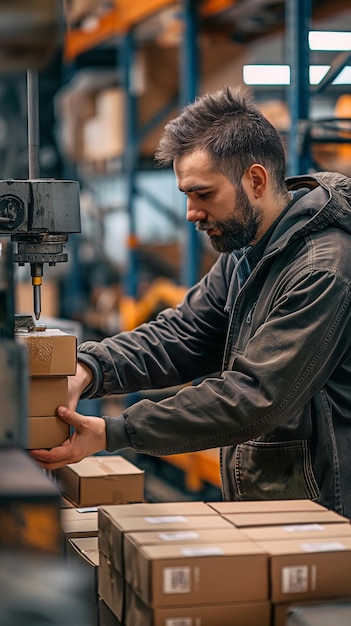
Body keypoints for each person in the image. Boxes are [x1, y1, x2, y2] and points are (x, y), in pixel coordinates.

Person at [31, 85, 351, 518]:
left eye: (203, 194)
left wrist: (115, 431)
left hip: (330, 510)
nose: (190, 213)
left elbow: (255, 397)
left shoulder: (323, 268)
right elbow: (184, 334)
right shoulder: (248, 250)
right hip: (283, 498)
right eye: (186, 195)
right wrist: (90, 369)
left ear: (255, 181)